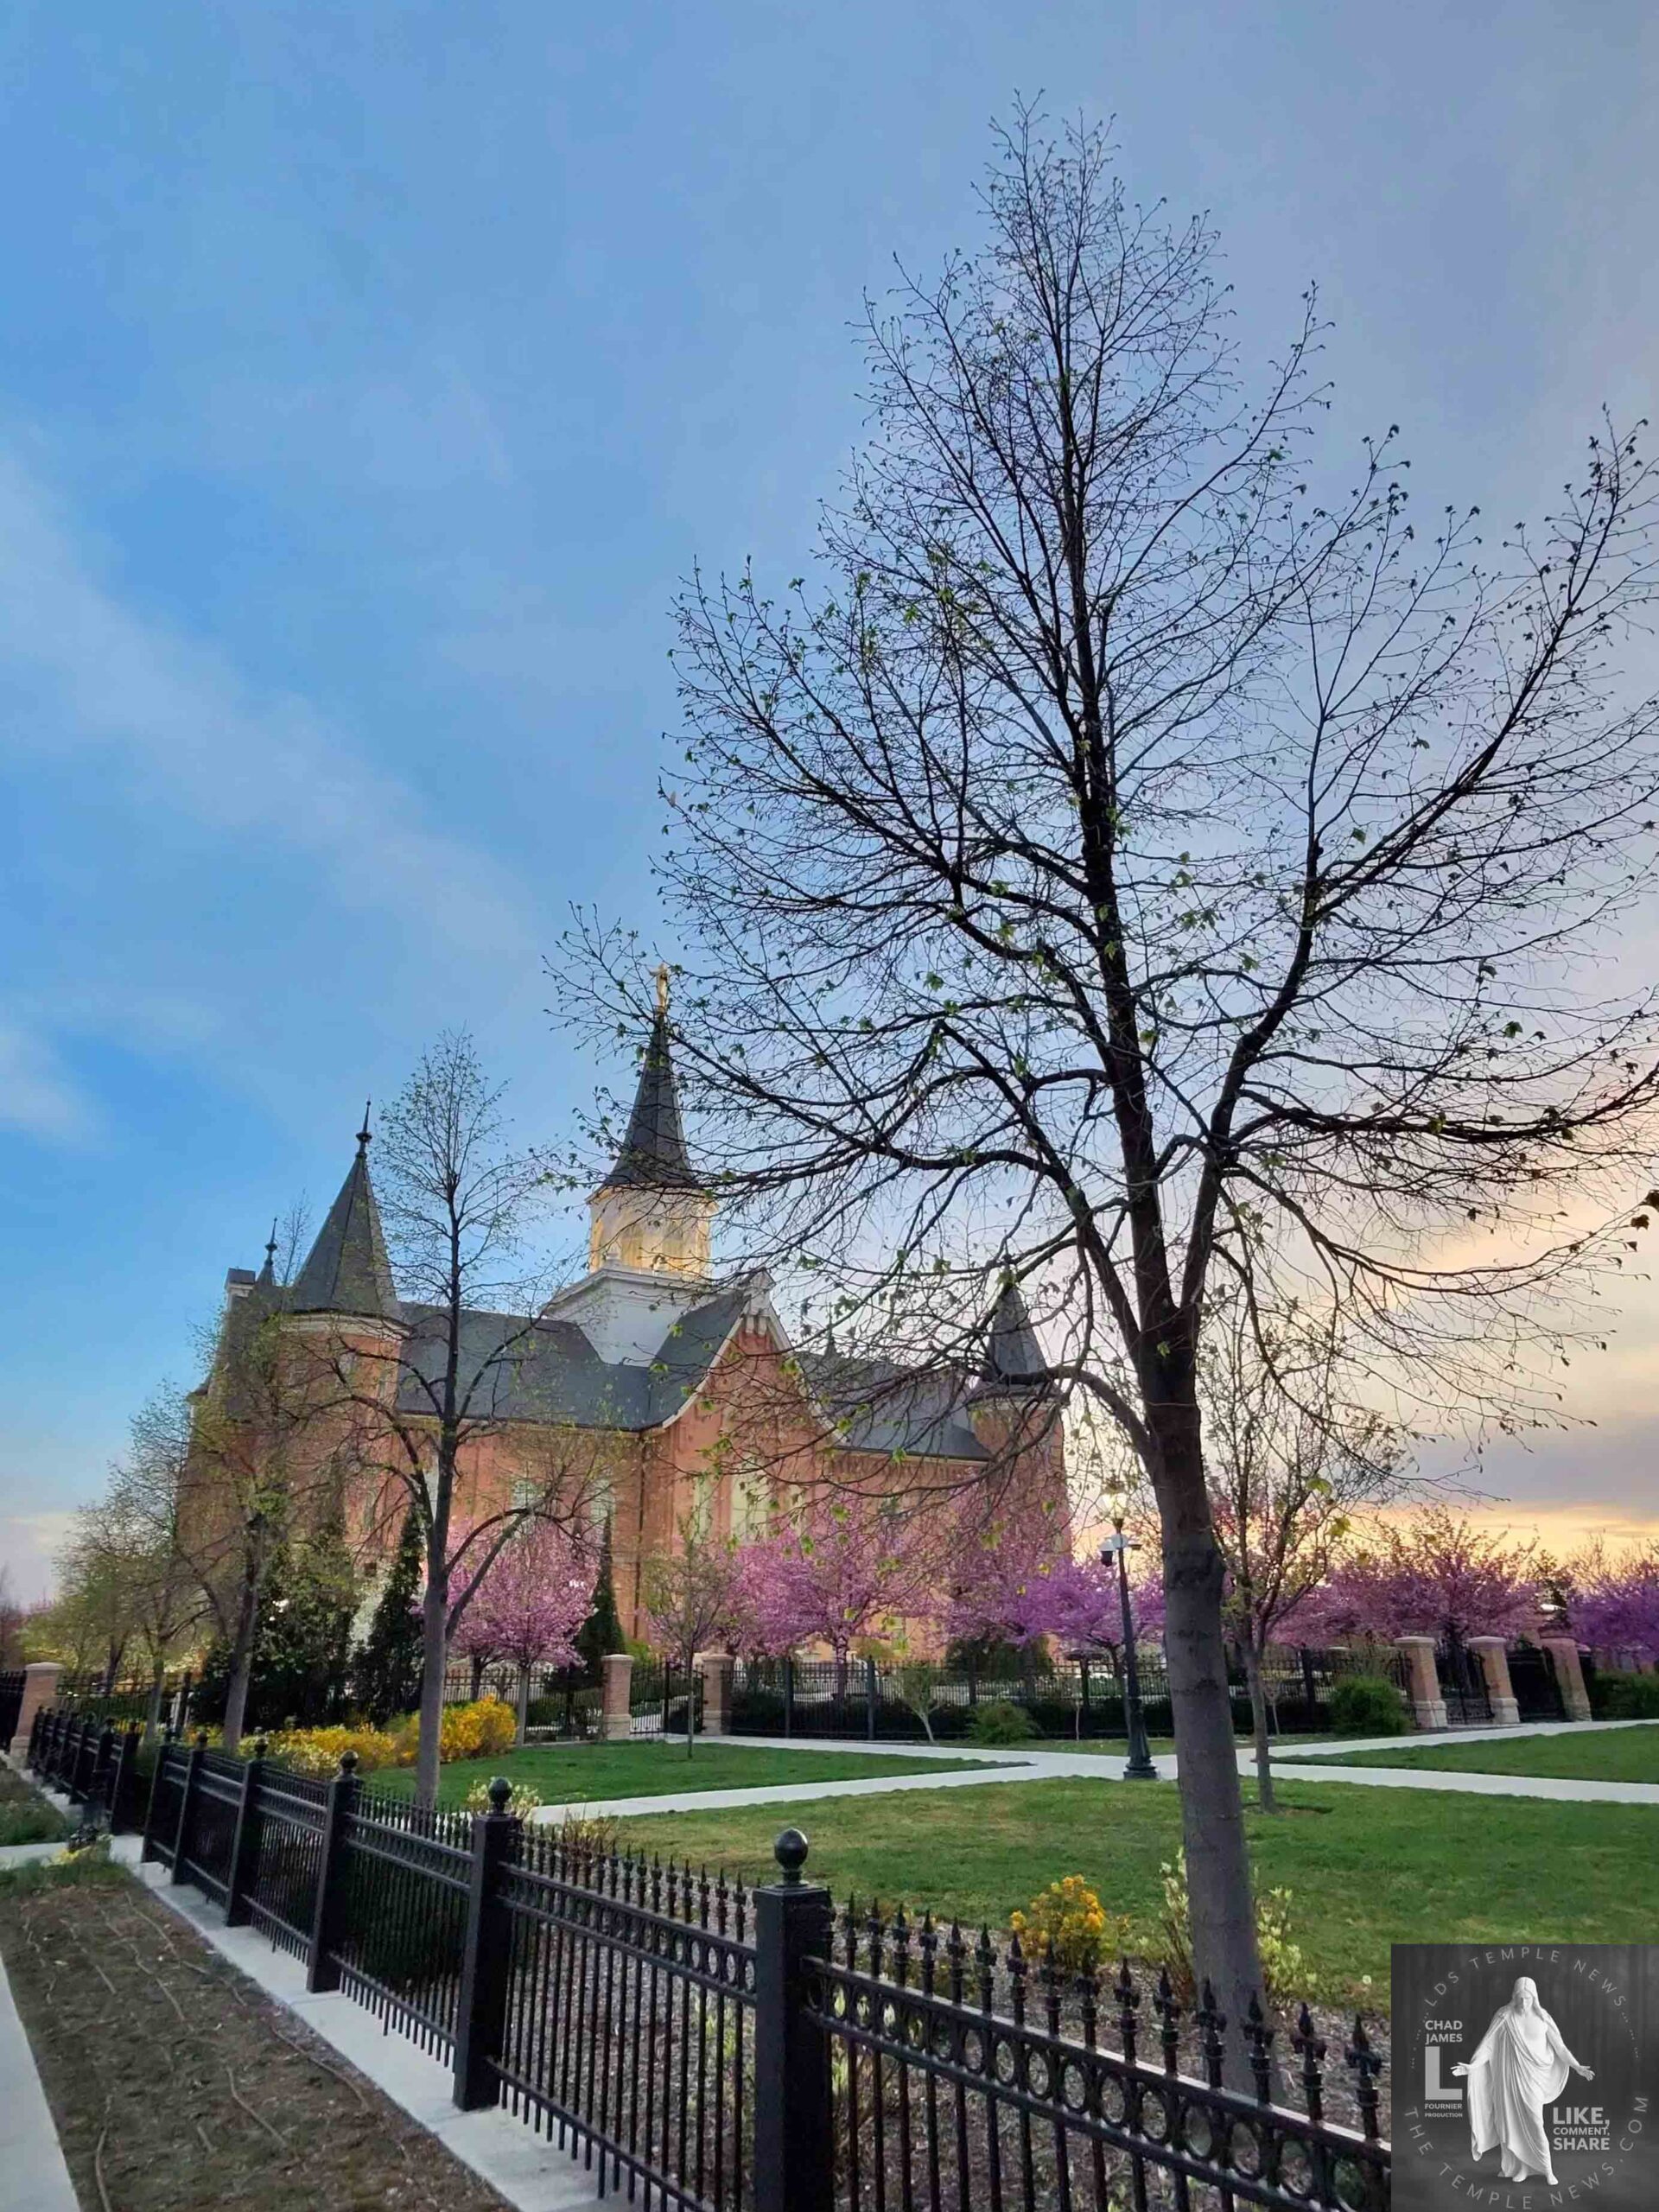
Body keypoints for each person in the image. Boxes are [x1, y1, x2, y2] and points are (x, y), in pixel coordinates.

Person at [1452, 1976, 1594, 2186]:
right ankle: (1521, 2168)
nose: (1523, 2003)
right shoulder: (1504, 2016)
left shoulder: (1543, 2018)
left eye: (1527, 1998)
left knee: (1536, 2123)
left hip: (1533, 2079)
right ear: (1514, 1996)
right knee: (1511, 2123)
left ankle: (1547, 2169)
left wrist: (1577, 2066)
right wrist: (1472, 2067)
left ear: (1534, 1998)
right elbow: (1488, 2046)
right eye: (1520, 1998)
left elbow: (1560, 2048)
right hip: (1509, 2080)